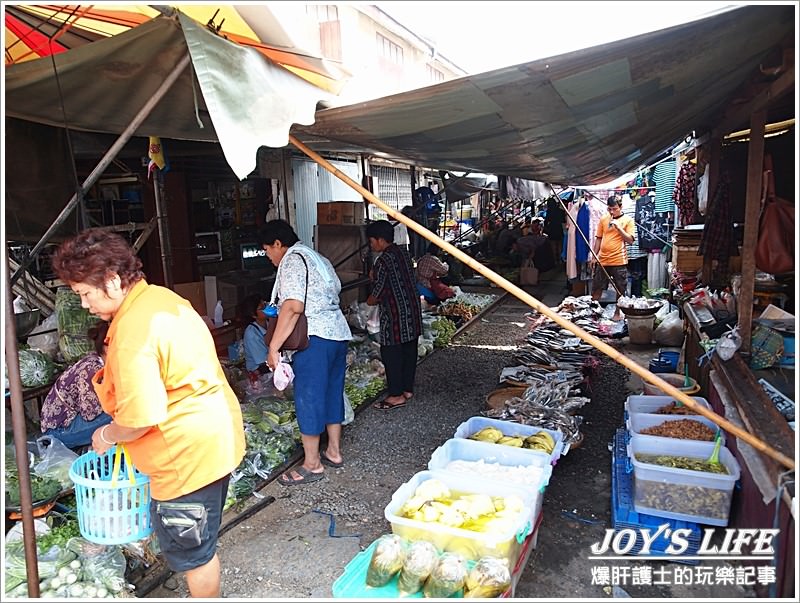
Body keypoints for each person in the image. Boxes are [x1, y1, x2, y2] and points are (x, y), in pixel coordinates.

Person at [51, 228, 245, 598]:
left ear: (111, 281)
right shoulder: (158, 299)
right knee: (198, 545)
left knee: (194, 555)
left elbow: (140, 419)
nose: (84, 305)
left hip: (184, 459)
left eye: (85, 294)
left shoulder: (133, 334)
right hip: (213, 437)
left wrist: (106, 434)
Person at [259, 219, 352, 486]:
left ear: (278, 244)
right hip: (337, 334)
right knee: (332, 392)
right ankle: (333, 451)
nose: (269, 257)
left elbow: (293, 307)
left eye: (267, 250)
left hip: (314, 339)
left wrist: (274, 347)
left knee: (308, 397)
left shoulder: (292, 260)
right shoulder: (318, 257)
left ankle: (312, 463)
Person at [365, 220, 422, 410]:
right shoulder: (403, 253)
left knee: (391, 354)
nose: (371, 245)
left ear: (381, 240)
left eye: (372, 241)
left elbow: (377, 294)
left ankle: (396, 395)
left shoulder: (383, 261)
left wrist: (369, 300)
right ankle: (407, 389)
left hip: (395, 315)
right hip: (412, 311)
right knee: (409, 351)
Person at [39, 321, 112, 449]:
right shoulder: (92, 369)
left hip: (67, 422)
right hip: (58, 432)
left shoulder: (97, 360)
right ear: (106, 347)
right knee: (121, 415)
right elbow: (89, 414)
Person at [590, 196, 635, 321]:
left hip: (619, 260)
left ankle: (617, 313)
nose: (611, 212)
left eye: (614, 209)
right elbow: (598, 238)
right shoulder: (604, 218)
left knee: (620, 290)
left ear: (620, 207)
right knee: (596, 287)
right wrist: (594, 255)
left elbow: (630, 240)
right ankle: (592, 314)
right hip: (603, 260)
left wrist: (619, 228)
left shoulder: (628, 220)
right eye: (609, 209)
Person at [238, 293, 269, 378]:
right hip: (260, 371)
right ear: (253, 315)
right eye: (262, 308)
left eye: (265, 304)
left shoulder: (269, 324)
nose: (266, 308)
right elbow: (264, 362)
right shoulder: (252, 334)